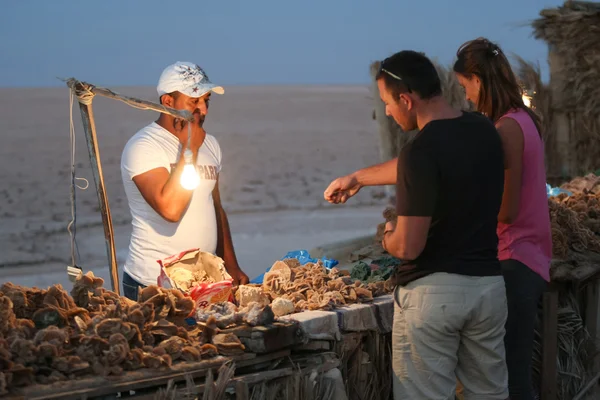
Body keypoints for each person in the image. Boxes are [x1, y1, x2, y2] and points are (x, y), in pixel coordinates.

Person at [324, 50, 509, 399]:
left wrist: (388, 236)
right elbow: (433, 160)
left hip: (435, 297)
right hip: (487, 288)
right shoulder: (482, 129)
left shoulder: (420, 152)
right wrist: (357, 178)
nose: (387, 113)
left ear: (406, 100)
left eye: (387, 104)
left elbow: (409, 247)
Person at [453, 37, 551, 400]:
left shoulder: (506, 129)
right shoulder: (526, 119)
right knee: (516, 374)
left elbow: (506, 210)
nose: (466, 97)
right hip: (532, 258)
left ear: (478, 79)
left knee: (509, 380)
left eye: (465, 87)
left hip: (514, 261)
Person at [120, 61, 249, 300]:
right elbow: (170, 209)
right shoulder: (144, 146)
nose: (204, 109)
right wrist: (189, 149)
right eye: (194, 101)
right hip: (151, 285)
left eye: (206, 100)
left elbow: (215, 207)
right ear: (168, 102)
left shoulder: (209, 143)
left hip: (202, 282)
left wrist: (230, 265)